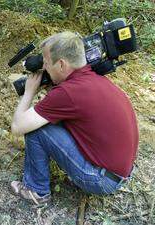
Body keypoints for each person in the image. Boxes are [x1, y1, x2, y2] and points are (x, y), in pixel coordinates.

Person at [10, 31, 138, 205]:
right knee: (46, 119)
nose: (44, 68)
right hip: (119, 173)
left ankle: (36, 190)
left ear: (62, 64)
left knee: (37, 129)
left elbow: (18, 127)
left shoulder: (67, 93)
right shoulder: (94, 78)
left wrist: (29, 92)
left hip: (102, 181)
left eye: (46, 63)